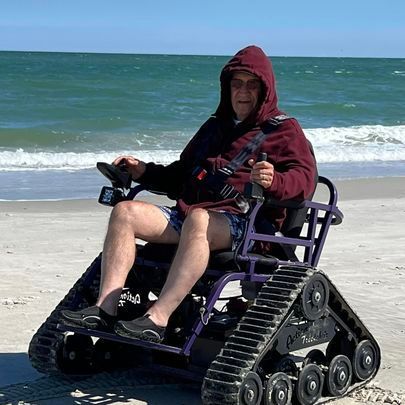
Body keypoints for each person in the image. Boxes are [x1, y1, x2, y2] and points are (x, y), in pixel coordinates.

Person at [61, 45, 317, 343]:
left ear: (265, 89)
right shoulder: (214, 126)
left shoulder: (284, 130)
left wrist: (274, 180)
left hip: (245, 224)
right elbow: (181, 174)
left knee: (198, 219)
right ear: (227, 87)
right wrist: (143, 171)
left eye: (252, 84)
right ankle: (105, 308)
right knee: (125, 211)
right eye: (237, 83)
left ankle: (157, 319)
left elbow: (305, 181)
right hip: (193, 215)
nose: (243, 91)